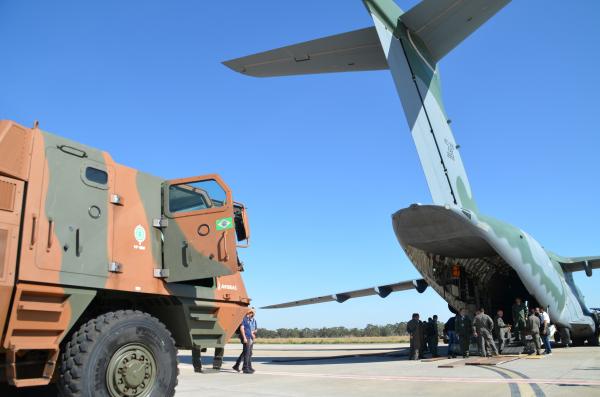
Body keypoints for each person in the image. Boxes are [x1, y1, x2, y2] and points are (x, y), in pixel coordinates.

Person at [233, 308, 256, 373]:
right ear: (249, 313)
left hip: (249, 337)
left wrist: (251, 335)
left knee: (247, 353)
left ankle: (245, 367)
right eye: (251, 313)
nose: (252, 315)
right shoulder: (244, 318)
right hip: (246, 338)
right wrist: (244, 338)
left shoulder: (247, 319)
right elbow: (242, 328)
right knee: (247, 354)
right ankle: (245, 368)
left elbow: (248, 330)